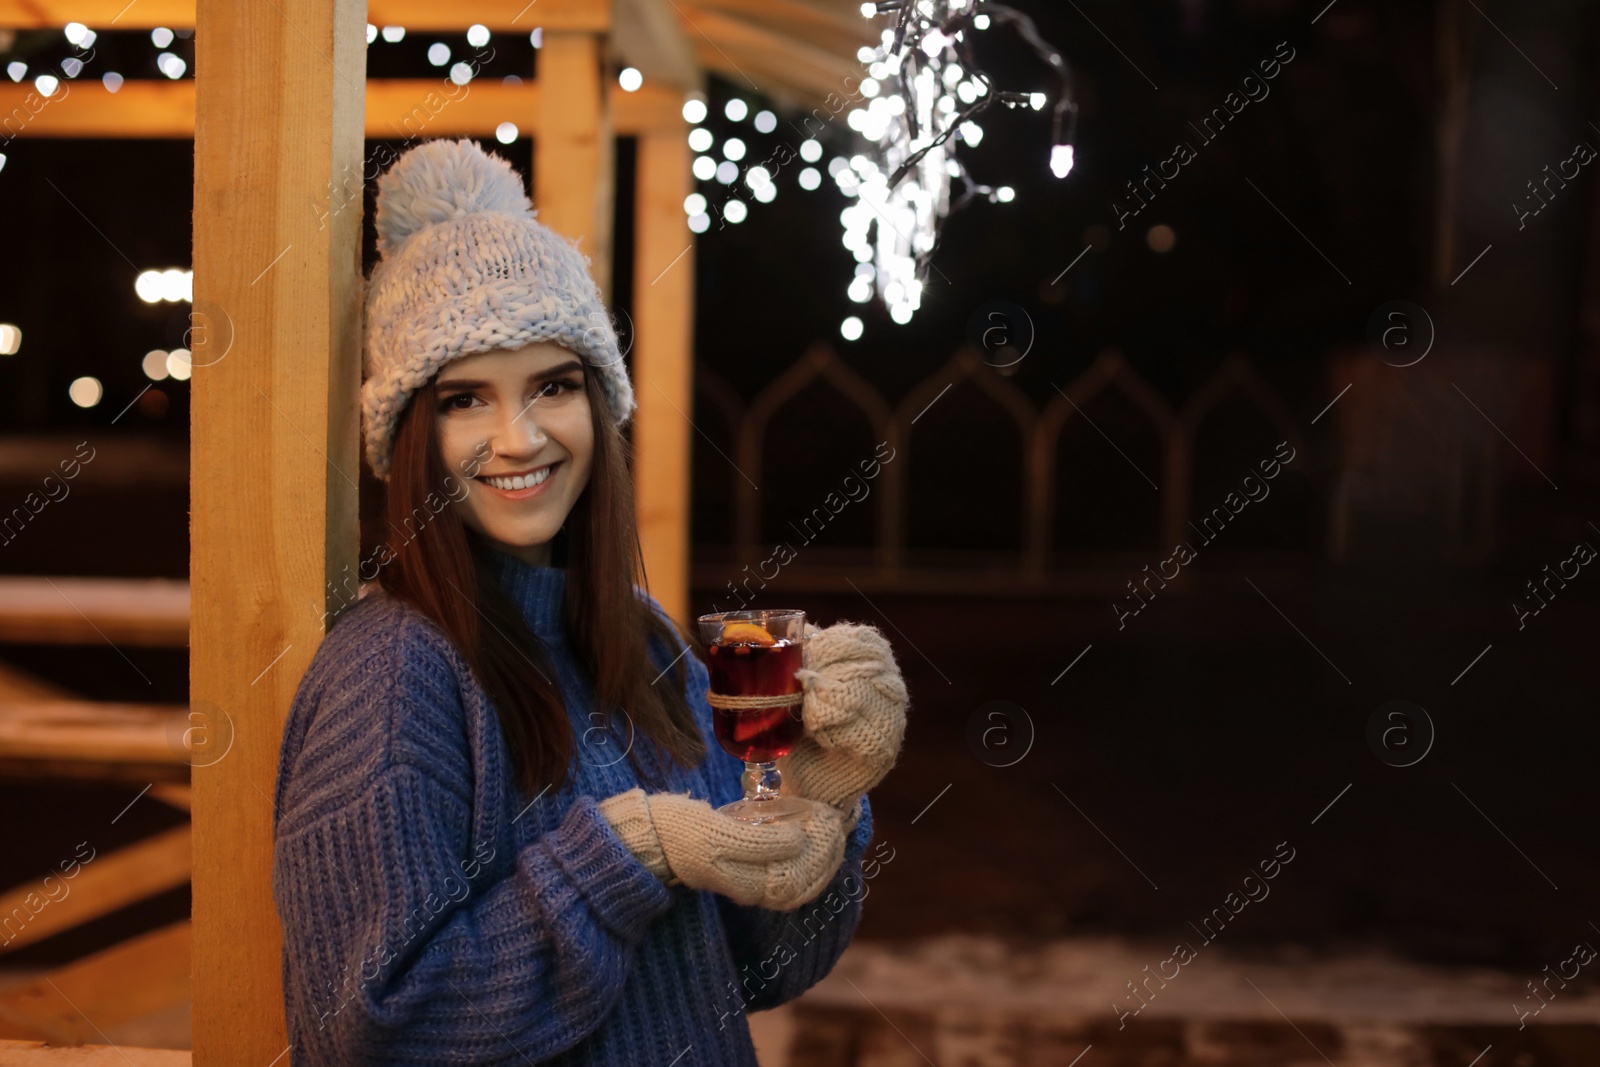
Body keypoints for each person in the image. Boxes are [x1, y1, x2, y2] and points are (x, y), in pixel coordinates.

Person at [270, 137, 910, 1066]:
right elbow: (366, 1033)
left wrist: (818, 794)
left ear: (599, 406)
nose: (517, 437)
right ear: (408, 435)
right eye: (463, 399)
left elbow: (761, 969)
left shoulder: (642, 639)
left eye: (552, 385)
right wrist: (627, 853)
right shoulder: (394, 672)